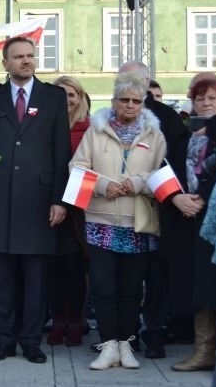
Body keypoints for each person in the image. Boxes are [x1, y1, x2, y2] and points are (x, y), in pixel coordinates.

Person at [0, 36, 71, 364]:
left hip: (39, 201)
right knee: (0, 276)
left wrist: (60, 200)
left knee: (35, 276)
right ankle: (3, 340)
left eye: (30, 55)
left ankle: (31, 340)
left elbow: (61, 153)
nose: (26, 61)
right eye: (18, 57)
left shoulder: (53, 97)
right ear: (5, 63)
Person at [69, 72, 166, 370]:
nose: (130, 105)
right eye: (124, 100)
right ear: (113, 102)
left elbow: (164, 174)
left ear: (143, 103)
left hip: (138, 223)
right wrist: (101, 185)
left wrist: (138, 182)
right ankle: (108, 346)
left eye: (136, 101)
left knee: (131, 289)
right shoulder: (95, 131)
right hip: (101, 221)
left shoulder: (154, 134)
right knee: (102, 287)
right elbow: (76, 167)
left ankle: (127, 345)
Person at [120, 61, 191, 358]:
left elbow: (174, 165)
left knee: (156, 277)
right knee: (126, 277)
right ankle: (127, 333)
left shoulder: (166, 117)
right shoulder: (109, 117)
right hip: (119, 208)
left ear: (147, 81)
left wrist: (150, 186)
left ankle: (154, 332)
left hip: (157, 208)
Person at [170, 76, 216, 372]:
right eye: (200, 98)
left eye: (213, 97)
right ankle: (203, 352)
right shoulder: (184, 135)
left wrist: (202, 197)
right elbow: (167, 169)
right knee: (201, 285)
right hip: (190, 219)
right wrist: (178, 198)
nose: (207, 103)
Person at [47, 75, 90, 347]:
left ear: (80, 98)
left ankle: (76, 320)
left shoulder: (90, 129)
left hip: (78, 210)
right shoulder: (44, 125)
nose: (66, 100)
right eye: (60, 95)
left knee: (74, 267)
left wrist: (75, 203)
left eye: (71, 95)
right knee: (52, 267)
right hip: (48, 207)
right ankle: (58, 319)